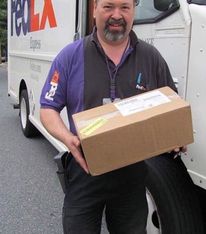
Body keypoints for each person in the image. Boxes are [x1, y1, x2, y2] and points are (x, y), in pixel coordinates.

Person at [40, 0, 178, 233]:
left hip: (132, 174)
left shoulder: (151, 57)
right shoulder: (70, 56)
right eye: (108, 6)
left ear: (134, 10)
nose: (117, 15)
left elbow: (171, 107)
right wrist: (67, 138)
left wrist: (174, 136)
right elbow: (47, 108)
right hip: (85, 167)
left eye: (124, 7)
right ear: (94, 9)